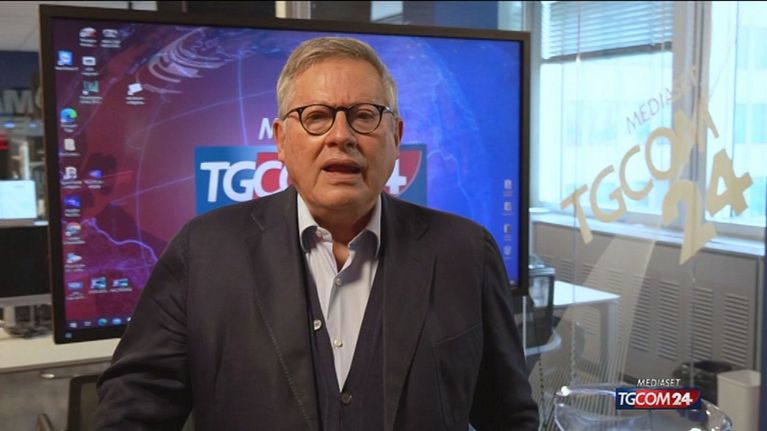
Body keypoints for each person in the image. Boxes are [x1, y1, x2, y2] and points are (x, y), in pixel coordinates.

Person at [94, 36, 538, 431]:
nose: (341, 136)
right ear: (281, 140)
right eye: (317, 116)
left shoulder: (466, 253)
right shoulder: (202, 253)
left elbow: (509, 416)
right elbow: (134, 407)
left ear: (396, 135)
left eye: (364, 116)